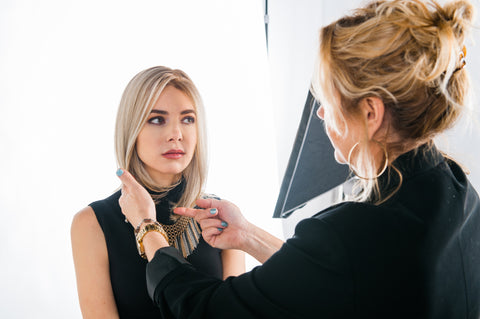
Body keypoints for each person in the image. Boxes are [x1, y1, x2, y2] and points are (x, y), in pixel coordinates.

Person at [117, 1, 480, 318]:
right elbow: (337, 282)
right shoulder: (458, 189)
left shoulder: (351, 234)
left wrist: (148, 229)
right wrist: (248, 236)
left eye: (329, 100)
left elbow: (207, 310)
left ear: (371, 113)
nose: (321, 114)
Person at [71, 66, 245, 318]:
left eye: (188, 119)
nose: (176, 134)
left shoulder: (222, 216)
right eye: (156, 119)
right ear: (132, 130)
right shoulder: (92, 223)